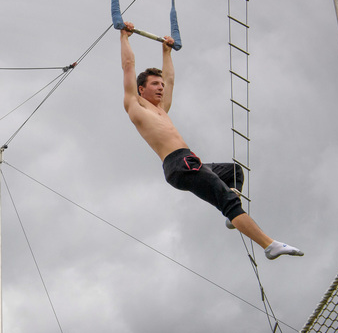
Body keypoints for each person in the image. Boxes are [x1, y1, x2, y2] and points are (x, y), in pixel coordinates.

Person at [119, 22, 303, 260]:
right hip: (178, 164)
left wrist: (166, 52)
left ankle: (232, 217)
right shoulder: (135, 105)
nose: (161, 88)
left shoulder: (161, 109)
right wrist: (125, 37)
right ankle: (269, 245)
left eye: (161, 85)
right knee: (228, 202)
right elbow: (128, 66)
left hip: (190, 160)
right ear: (141, 89)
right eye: (155, 84)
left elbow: (171, 79)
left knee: (234, 172)